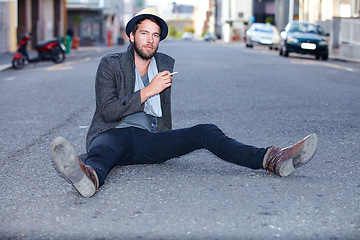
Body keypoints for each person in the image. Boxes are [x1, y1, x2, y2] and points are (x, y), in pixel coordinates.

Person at [51, 8, 318, 198]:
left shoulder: (163, 66)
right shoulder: (110, 64)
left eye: (155, 35)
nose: (150, 40)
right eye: (144, 33)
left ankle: (272, 158)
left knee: (206, 131)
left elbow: (161, 117)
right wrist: (148, 91)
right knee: (104, 152)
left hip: (147, 140)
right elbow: (107, 111)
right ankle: (88, 177)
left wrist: (156, 93)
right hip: (112, 133)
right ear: (131, 36)